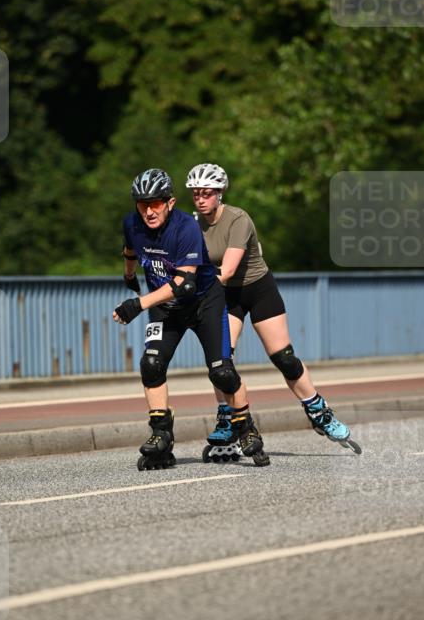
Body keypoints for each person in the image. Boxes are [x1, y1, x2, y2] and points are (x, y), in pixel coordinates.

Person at [185, 162, 357, 451]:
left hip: (257, 289)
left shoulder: (238, 219)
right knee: (220, 361)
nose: (201, 199)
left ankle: (319, 411)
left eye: (207, 193)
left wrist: (191, 285)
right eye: (196, 194)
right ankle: (229, 420)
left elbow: (227, 270)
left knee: (284, 358)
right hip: (226, 296)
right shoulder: (192, 226)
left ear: (220, 192)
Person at [113, 167, 270, 469]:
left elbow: (184, 283)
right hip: (166, 307)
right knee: (151, 364)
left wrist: (138, 304)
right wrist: (129, 275)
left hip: (203, 303)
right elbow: (130, 249)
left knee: (222, 372)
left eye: (155, 203)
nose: (149, 211)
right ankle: (161, 435)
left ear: (170, 203)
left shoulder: (186, 227)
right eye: (143, 204)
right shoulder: (132, 223)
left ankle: (245, 426)